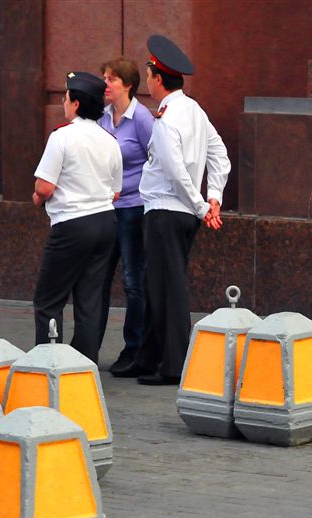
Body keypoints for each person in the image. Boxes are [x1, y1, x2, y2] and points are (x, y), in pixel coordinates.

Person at [112, 35, 230, 385]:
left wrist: (201, 204)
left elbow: (175, 169)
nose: (147, 81)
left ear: (158, 79)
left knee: (169, 289)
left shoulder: (165, 118)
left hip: (166, 211)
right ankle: (148, 357)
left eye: (149, 75)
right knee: (156, 284)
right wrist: (214, 198)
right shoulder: (194, 110)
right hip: (182, 213)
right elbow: (219, 154)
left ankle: (176, 364)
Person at [31, 71, 122, 364]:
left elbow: (44, 187)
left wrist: (37, 199)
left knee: (48, 301)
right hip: (105, 222)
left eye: (67, 96)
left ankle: (47, 364)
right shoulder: (110, 140)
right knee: (90, 300)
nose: (63, 101)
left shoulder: (62, 136)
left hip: (72, 224)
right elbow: (116, 192)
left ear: (77, 104)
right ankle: (84, 365)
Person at [97, 57, 154, 374]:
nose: (105, 84)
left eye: (112, 79)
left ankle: (134, 350)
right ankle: (88, 348)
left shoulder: (142, 119)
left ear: (128, 85)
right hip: (105, 210)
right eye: (104, 77)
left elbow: (157, 159)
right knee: (98, 280)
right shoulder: (102, 117)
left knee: (133, 281)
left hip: (133, 209)